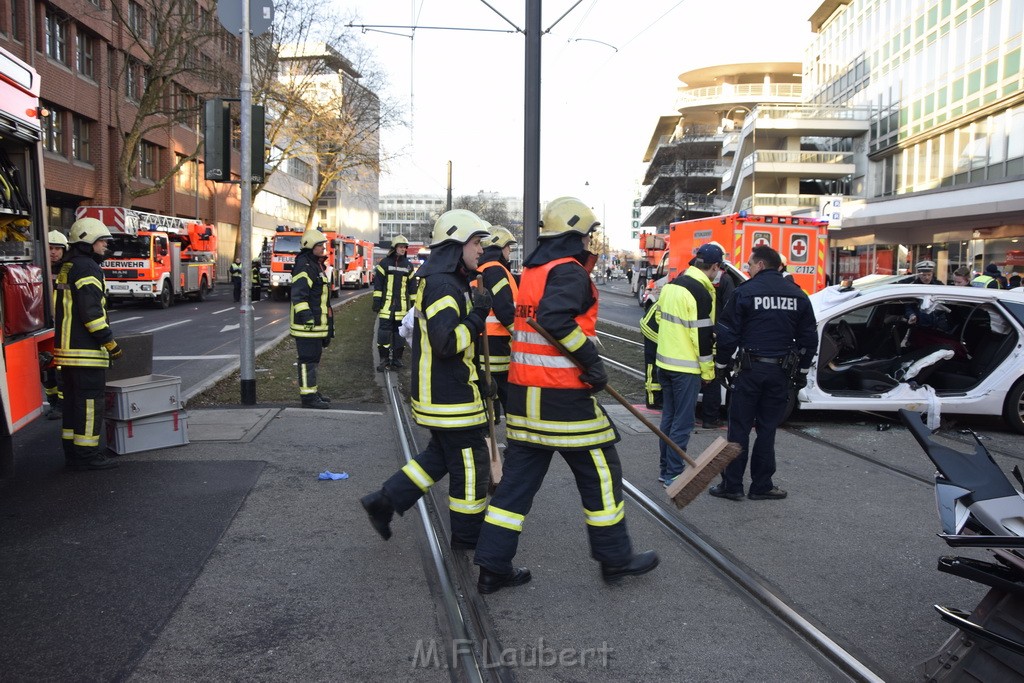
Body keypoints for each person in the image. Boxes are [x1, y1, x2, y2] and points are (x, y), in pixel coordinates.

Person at [472, 196, 658, 594]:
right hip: (563, 398)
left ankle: (492, 566)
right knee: (602, 471)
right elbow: (555, 321)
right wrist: (591, 360)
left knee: (516, 485)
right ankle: (615, 558)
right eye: (589, 235)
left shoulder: (534, 271)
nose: (592, 242)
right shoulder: (569, 272)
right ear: (576, 235)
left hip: (525, 396)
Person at [361, 210, 492, 550]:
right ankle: (467, 540)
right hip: (450, 399)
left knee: (439, 458)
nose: (481, 250)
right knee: (470, 467)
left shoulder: (443, 281)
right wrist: (479, 316)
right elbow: (446, 343)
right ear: (455, 245)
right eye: (476, 243)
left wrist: (479, 379)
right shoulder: (446, 286)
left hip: (444, 392)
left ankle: (383, 501)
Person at [710, 246, 817, 501]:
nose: (746, 268)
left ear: (760, 265)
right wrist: (801, 372)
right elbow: (808, 339)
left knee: (739, 429)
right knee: (767, 428)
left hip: (750, 370)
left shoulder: (744, 292)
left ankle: (732, 485)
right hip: (780, 372)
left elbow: (727, 335)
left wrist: (721, 366)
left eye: (749, 264)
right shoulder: (798, 295)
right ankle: (762, 485)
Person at [53, 217, 121, 471]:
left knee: (72, 404)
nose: (105, 245)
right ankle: (87, 455)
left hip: (67, 353)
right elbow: (91, 313)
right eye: (101, 240)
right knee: (90, 404)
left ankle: (73, 452)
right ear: (87, 241)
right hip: (85, 353)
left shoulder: (68, 266)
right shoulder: (88, 268)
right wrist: (110, 343)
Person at [653, 243, 722, 487]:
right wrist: (708, 371)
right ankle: (674, 473)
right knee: (683, 422)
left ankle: (665, 469)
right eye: (718, 269)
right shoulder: (701, 292)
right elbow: (702, 338)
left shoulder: (673, 285)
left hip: (665, 363)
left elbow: (659, 318)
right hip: (686, 368)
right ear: (713, 267)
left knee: (668, 419)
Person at [475, 226, 518, 423]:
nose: (510, 252)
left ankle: (490, 424)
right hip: (497, 342)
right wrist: (520, 335)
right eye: (508, 247)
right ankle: (514, 437)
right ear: (499, 246)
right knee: (508, 393)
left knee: (489, 390)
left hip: (483, 339)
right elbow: (504, 308)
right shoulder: (496, 270)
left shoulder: (481, 269)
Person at [290, 229, 333, 409]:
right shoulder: (305, 266)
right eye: (320, 245)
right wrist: (307, 318)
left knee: (313, 359)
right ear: (310, 246)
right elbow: (299, 296)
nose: (323, 247)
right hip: (307, 326)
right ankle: (308, 398)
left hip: (316, 326)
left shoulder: (315, 265)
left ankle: (312, 392)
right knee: (307, 360)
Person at [702, 248, 736, 429]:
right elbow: (731, 308)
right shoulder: (725, 279)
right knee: (713, 378)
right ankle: (710, 417)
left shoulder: (689, 277)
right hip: (716, 334)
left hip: (696, 332)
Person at [372, 234, 413, 371]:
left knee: (399, 335)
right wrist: (377, 302)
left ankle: (397, 360)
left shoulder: (408, 266)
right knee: (383, 334)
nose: (403, 249)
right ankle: (384, 360)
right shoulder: (384, 264)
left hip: (401, 308)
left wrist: (413, 307)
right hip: (386, 306)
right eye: (401, 247)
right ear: (394, 248)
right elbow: (378, 285)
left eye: (405, 247)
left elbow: (413, 289)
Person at [43, 230, 68, 420]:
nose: (53, 252)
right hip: (43, 325)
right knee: (47, 369)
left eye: (57, 249)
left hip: (62, 325)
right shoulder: (39, 268)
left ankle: (61, 405)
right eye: (50, 248)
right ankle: (53, 402)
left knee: (61, 369)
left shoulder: (67, 271)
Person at [639, 304, 662, 410]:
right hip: (651, 329)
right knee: (652, 365)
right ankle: (652, 400)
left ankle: (659, 398)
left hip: (659, 330)